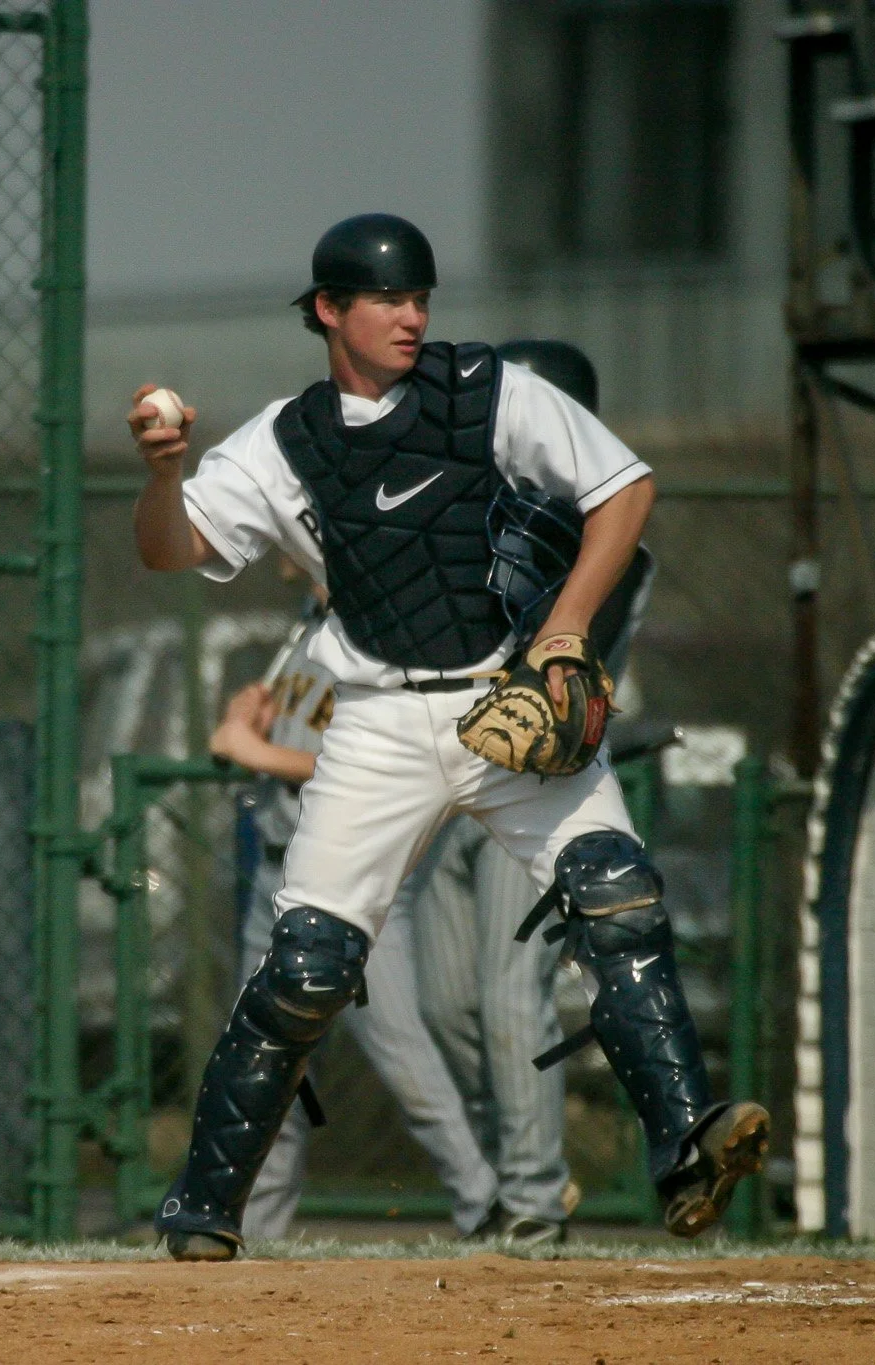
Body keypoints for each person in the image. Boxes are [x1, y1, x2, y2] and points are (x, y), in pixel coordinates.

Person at [129, 212, 766, 1262]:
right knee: (306, 964)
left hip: (504, 703)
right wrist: (163, 471)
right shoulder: (288, 438)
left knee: (616, 891)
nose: (409, 315)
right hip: (376, 719)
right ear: (328, 310)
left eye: (419, 296)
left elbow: (624, 489)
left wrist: (561, 633)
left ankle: (685, 1147)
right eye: (384, 299)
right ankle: (202, 1205)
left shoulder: (484, 390)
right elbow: (171, 550)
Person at [412, 338, 651, 1244]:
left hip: (539, 789)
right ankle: (511, 1167)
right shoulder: (477, 516)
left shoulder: (610, 533)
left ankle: (533, 1200)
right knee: (444, 1002)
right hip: (447, 782)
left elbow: (554, 646)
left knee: (512, 993)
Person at [210, 587, 503, 1243]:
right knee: (267, 1059)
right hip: (276, 874)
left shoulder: (385, 632)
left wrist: (254, 752)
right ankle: (256, 1229)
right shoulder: (311, 624)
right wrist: (249, 720)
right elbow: (295, 729)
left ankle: (487, 1207)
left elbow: (374, 771)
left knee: (404, 1059)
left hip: (354, 879)